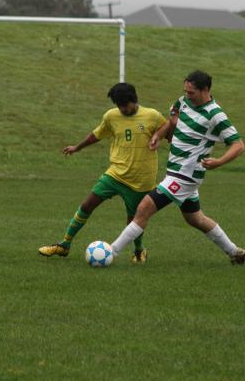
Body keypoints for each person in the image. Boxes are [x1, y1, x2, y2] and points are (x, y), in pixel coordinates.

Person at [109, 70, 245, 265]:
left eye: (191, 93)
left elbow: (238, 145)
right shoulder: (183, 102)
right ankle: (235, 252)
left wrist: (219, 162)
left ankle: (110, 253)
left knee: (144, 207)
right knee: (195, 218)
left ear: (205, 90)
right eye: (186, 91)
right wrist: (158, 135)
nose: (187, 96)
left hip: (186, 176)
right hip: (175, 171)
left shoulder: (216, 115)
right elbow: (172, 122)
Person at [39, 82, 167, 263]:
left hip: (140, 181)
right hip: (115, 174)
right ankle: (64, 244)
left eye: (125, 105)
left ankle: (139, 250)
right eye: (118, 105)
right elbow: (96, 134)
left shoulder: (152, 116)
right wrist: (78, 147)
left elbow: (168, 128)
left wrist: (158, 136)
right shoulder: (111, 116)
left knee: (135, 221)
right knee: (87, 205)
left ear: (134, 100)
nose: (122, 109)